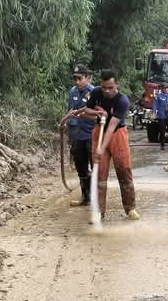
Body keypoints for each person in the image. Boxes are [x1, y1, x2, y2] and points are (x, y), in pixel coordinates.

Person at [72, 69, 139, 221]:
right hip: (98, 131)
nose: (107, 91)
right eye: (104, 87)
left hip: (117, 134)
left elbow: (112, 126)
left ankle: (130, 208)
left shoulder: (122, 100)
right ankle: (98, 212)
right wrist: (97, 113)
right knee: (99, 173)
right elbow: (87, 109)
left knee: (124, 171)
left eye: (110, 87)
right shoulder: (96, 92)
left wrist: (101, 148)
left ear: (117, 85)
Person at [59, 65, 94, 206]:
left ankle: (97, 198)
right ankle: (85, 197)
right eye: (75, 78)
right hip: (76, 135)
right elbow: (70, 110)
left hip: (90, 135)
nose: (77, 81)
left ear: (88, 78)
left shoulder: (94, 92)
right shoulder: (72, 91)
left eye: (80, 78)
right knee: (81, 167)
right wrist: (64, 122)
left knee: (95, 167)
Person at [152, 83, 168, 149]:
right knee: (162, 131)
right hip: (161, 116)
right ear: (161, 89)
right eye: (164, 88)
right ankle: (162, 145)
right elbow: (155, 105)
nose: (165, 89)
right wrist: (154, 113)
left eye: (167, 88)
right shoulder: (158, 96)